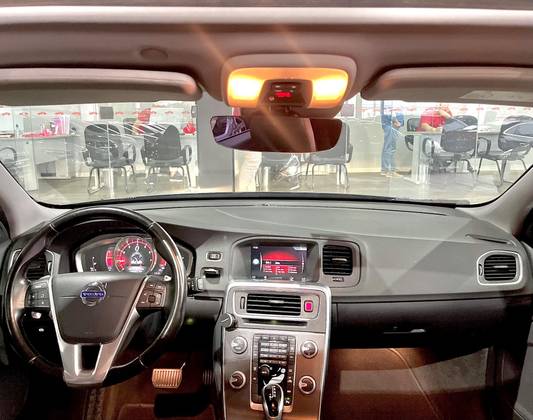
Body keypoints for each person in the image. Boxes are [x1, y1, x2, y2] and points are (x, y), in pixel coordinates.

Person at [380, 100, 404, 176]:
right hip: (391, 124)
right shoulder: (391, 96)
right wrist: (395, 121)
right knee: (390, 148)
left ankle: (386, 169)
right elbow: (390, 108)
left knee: (388, 147)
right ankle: (389, 170)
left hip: (391, 124)